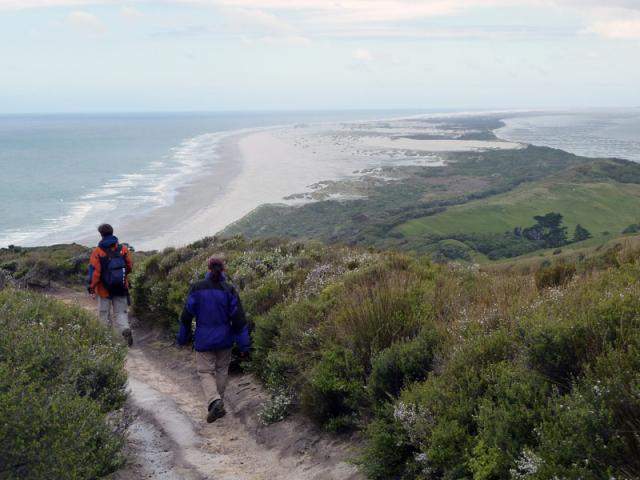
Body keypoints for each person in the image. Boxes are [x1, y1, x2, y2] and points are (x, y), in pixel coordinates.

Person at [177, 257, 250, 423]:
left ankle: (215, 401)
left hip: (204, 339)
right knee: (222, 370)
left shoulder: (197, 288)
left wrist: (182, 338)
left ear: (208, 269)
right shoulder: (229, 289)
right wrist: (244, 345)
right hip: (225, 338)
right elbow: (239, 320)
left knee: (205, 372)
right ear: (223, 270)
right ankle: (217, 403)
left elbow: (186, 316)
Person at [87, 223, 134, 346]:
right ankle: (124, 329)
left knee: (104, 314)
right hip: (121, 286)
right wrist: (123, 278)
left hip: (104, 289)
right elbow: (129, 266)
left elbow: (95, 272)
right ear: (112, 232)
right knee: (121, 312)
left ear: (101, 234)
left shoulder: (97, 252)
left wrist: (92, 287)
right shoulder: (123, 249)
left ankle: (107, 339)